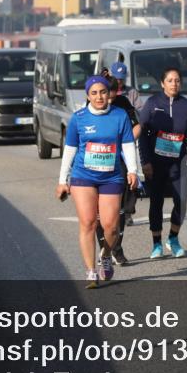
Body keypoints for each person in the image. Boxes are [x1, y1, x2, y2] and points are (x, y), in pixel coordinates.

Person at [55, 76, 139, 288]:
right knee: (88, 223)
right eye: (94, 93)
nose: (99, 96)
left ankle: (106, 255)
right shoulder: (79, 118)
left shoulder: (119, 116)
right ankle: (91, 271)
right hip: (83, 176)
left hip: (111, 175)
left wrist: (133, 171)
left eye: (102, 92)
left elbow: (128, 145)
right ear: (87, 95)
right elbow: (70, 150)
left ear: (109, 93)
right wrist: (62, 180)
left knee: (111, 227)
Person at [138, 67, 187, 259]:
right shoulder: (152, 103)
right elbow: (142, 135)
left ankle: (173, 238)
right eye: (170, 80)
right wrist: (145, 161)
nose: (174, 84)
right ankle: (156, 243)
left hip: (178, 162)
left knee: (181, 202)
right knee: (156, 202)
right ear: (162, 83)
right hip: (156, 163)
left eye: (177, 80)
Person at [94, 67, 142, 266]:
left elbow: (137, 125)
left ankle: (117, 248)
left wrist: (127, 141)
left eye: (112, 96)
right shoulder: (90, 107)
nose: (108, 101)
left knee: (120, 208)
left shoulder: (123, 104)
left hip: (119, 161)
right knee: (99, 211)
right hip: (96, 163)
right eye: (106, 96)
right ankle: (105, 249)